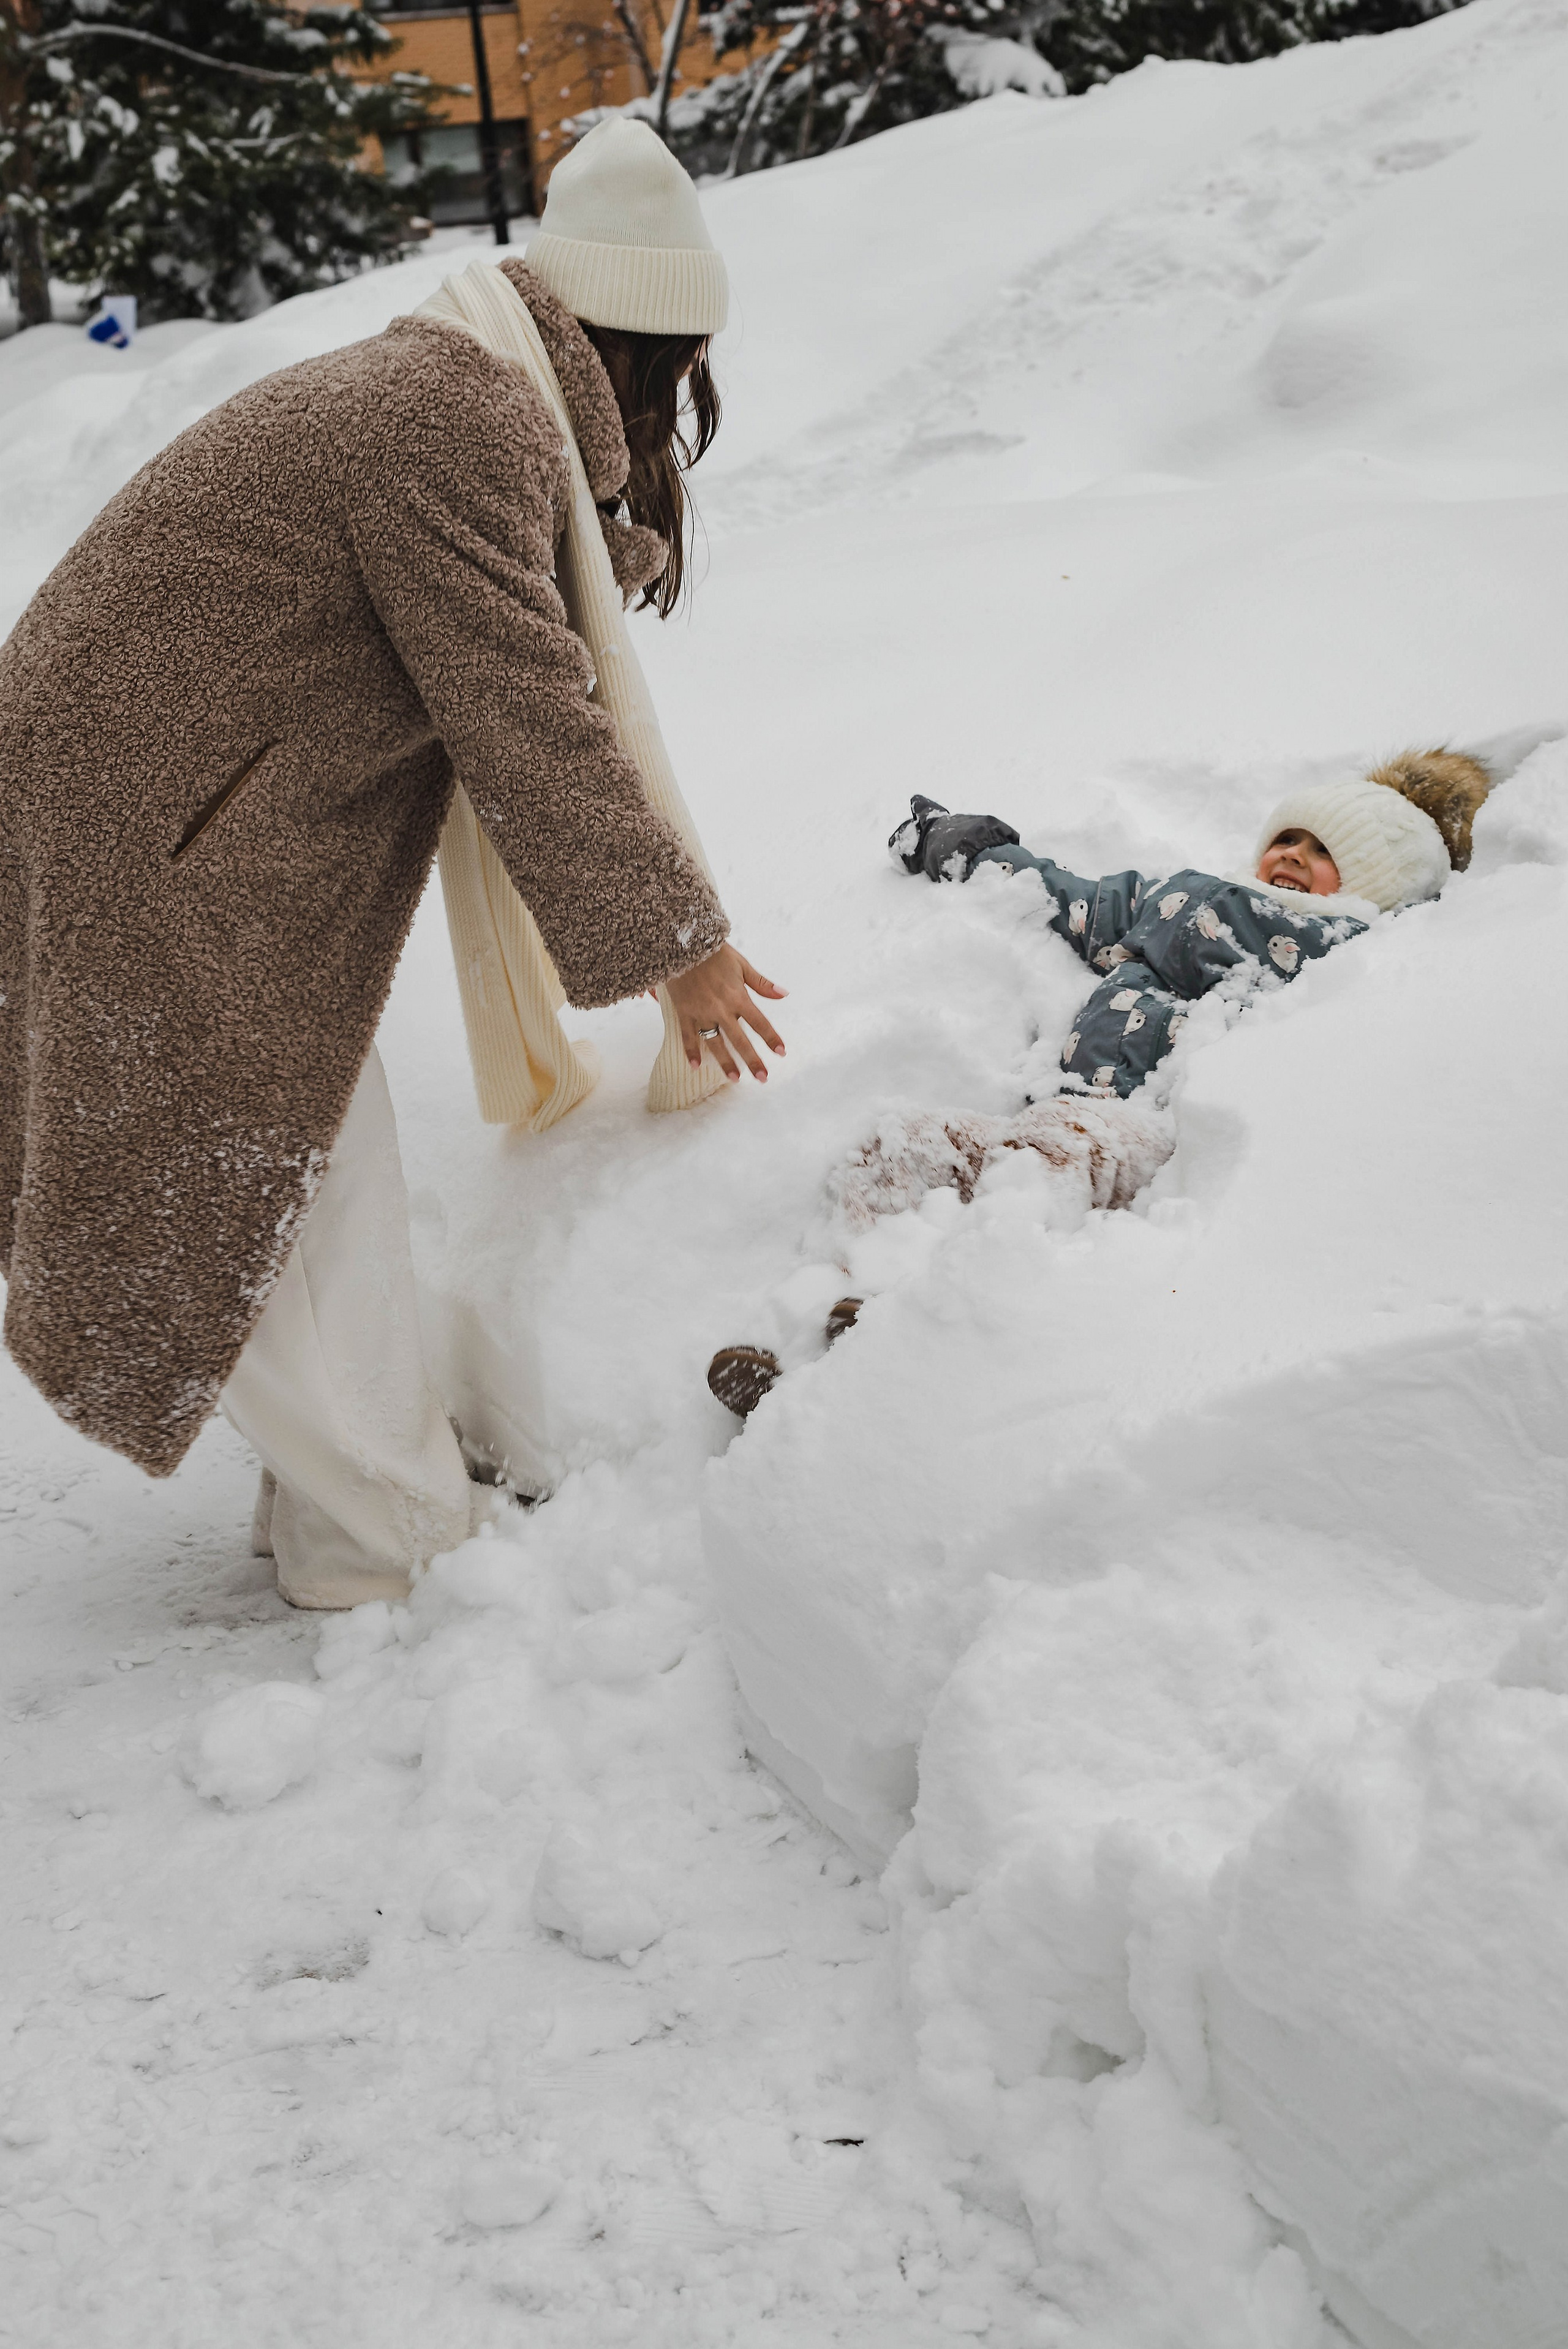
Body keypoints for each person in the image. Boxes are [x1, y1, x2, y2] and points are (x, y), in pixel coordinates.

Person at [1, 118, 783, 1608]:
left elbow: (509, 606)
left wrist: (602, 553)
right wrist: (680, 945)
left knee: (294, 1161)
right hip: (151, 818)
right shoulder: (452, 414)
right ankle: (384, 1543)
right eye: (679, 369)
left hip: (174, 797)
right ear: (638, 346)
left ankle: (337, 1514)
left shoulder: (464, 392)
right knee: (266, 1176)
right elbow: (520, 705)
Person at [707, 750, 1488, 1419]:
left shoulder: (1350, 956)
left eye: (1321, 849)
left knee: (1051, 1157)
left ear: (1374, 880)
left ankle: (913, 1314)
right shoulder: (1183, 896)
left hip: (1153, 1132)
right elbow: (1071, 900)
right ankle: (812, 1310)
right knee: (905, 1140)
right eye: (1285, 836)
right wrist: (968, 846)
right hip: (1059, 1114)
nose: (1289, 854)